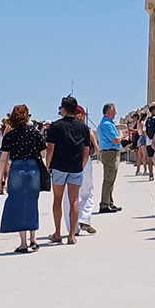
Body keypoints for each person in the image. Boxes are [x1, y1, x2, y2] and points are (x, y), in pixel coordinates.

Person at [44, 96, 95, 245]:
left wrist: (48, 165)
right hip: (75, 167)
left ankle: (57, 233)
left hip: (59, 166)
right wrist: (82, 165)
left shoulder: (56, 126)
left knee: (58, 200)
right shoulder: (83, 128)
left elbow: (50, 147)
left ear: (64, 109)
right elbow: (87, 150)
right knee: (74, 200)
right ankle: (72, 235)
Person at [0, 105, 44, 252]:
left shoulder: (10, 136)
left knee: (18, 202)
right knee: (32, 201)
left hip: (16, 168)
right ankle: (33, 238)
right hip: (32, 169)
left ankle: (23, 242)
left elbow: (4, 159)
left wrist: (0, 181)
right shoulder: (34, 133)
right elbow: (43, 153)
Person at [95, 104, 122, 213]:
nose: (115, 113)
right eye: (114, 111)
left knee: (111, 179)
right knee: (108, 179)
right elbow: (115, 140)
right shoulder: (106, 124)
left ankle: (109, 202)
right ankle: (104, 205)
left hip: (110, 152)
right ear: (107, 112)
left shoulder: (107, 123)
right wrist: (121, 135)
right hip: (110, 153)